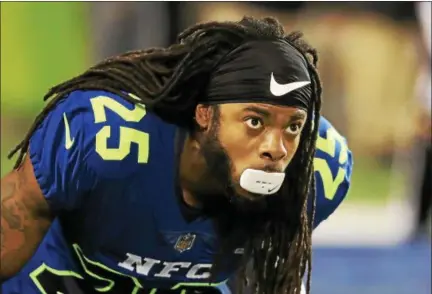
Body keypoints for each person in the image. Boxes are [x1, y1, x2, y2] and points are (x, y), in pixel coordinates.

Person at [1, 16, 353, 294]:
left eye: (292, 127)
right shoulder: (105, 139)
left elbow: (268, 275)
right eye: (254, 121)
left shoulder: (314, 169)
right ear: (204, 115)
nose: (275, 148)